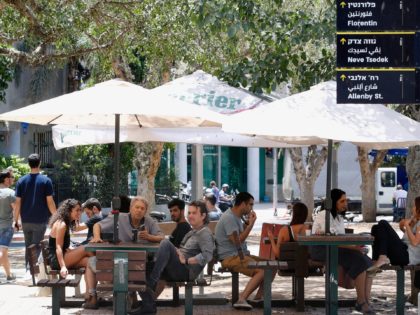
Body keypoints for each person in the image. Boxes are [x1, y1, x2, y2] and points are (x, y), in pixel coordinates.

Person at [129, 200, 214, 315]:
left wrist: (188, 260)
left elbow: (208, 255)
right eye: (189, 213)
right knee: (136, 268)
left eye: (194, 213)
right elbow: (183, 249)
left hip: (186, 270)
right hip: (176, 266)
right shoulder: (194, 231)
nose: (190, 216)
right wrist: (177, 250)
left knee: (165, 242)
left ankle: (152, 282)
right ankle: (149, 306)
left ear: (203, 215)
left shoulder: (205, 233)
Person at [85, 196, 164, 309]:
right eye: (137, 207)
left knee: (91, 262)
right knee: (91, 261)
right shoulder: (119, 217)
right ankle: (130, 296)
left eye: (142, 208)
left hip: (137, 267)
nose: (139, 210)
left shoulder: (149, 221)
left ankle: (93, 298)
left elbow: (161, 237)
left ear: (145, 211)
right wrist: (97, 237)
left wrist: (149, 236)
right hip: (124, 267)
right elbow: (97, 225)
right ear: (131, 208)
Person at [311, 188, 375, 315]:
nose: (346, 203)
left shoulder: (339, 218)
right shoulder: (324, 215)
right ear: (333, 202)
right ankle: (361, 302)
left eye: (346, 200)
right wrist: (354, 247)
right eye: (342, 201)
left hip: (336, 248)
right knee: (360, 260)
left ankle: (365, 300)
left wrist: (356, 247)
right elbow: (331, 239)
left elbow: (340, 240)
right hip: (322, 249)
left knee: (367, 261)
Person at [215, 192, 267, 310]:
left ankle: (258, 298)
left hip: (240, 254)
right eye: (250, 205)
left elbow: (239, 234)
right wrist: (251, 225)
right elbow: (237, 241)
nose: (251, 208)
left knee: (271, 266)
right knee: (262, 271)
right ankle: (241, 299)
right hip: (230, 257)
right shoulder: (229, 218)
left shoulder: (236, 216)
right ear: (243, 204)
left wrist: (247, 223)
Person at [14, 153, 57, 271]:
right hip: (40, 220)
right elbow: (50, 202)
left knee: (28, 246)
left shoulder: (21, 181)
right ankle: (33, 271)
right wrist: (56, 216)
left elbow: (18, 203)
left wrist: (16, 220)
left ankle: (28, 271)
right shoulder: (46, 181)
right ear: (39, 163)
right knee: (37, 246)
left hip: (26, 220)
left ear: (28, 164)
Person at [48, 199, 95, 304]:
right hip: (57, 260)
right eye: (77, 210)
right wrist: (63, 267)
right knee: (87, 248)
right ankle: (104, 277)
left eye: (80, 210)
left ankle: (89, 295)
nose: (80, 213)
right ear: (69, 210)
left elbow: (64, 247)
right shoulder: (62, 225)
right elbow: (58, 248)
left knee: (90, 261)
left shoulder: (65, 223)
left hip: (63, 256)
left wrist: (73, 252)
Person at [370, 196, 420, 272]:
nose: (412, 208)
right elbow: (411, 238)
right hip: (403, 251)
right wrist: (402, 227)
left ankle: (382, 257)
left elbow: (415, 242)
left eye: (414, 206)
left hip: (407, 257)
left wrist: (407, 225)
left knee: (383, 223)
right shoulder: (416, 221)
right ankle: (376, 259)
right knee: (375, 228)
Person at [0, 171, 16, 280]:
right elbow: (16, 209)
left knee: (3, 251)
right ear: (6, 179)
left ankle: (8, 274)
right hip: (7, 226)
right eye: (12, 177)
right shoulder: (10, 193)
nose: (13, 179)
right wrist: (17, 222)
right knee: (3, 251)